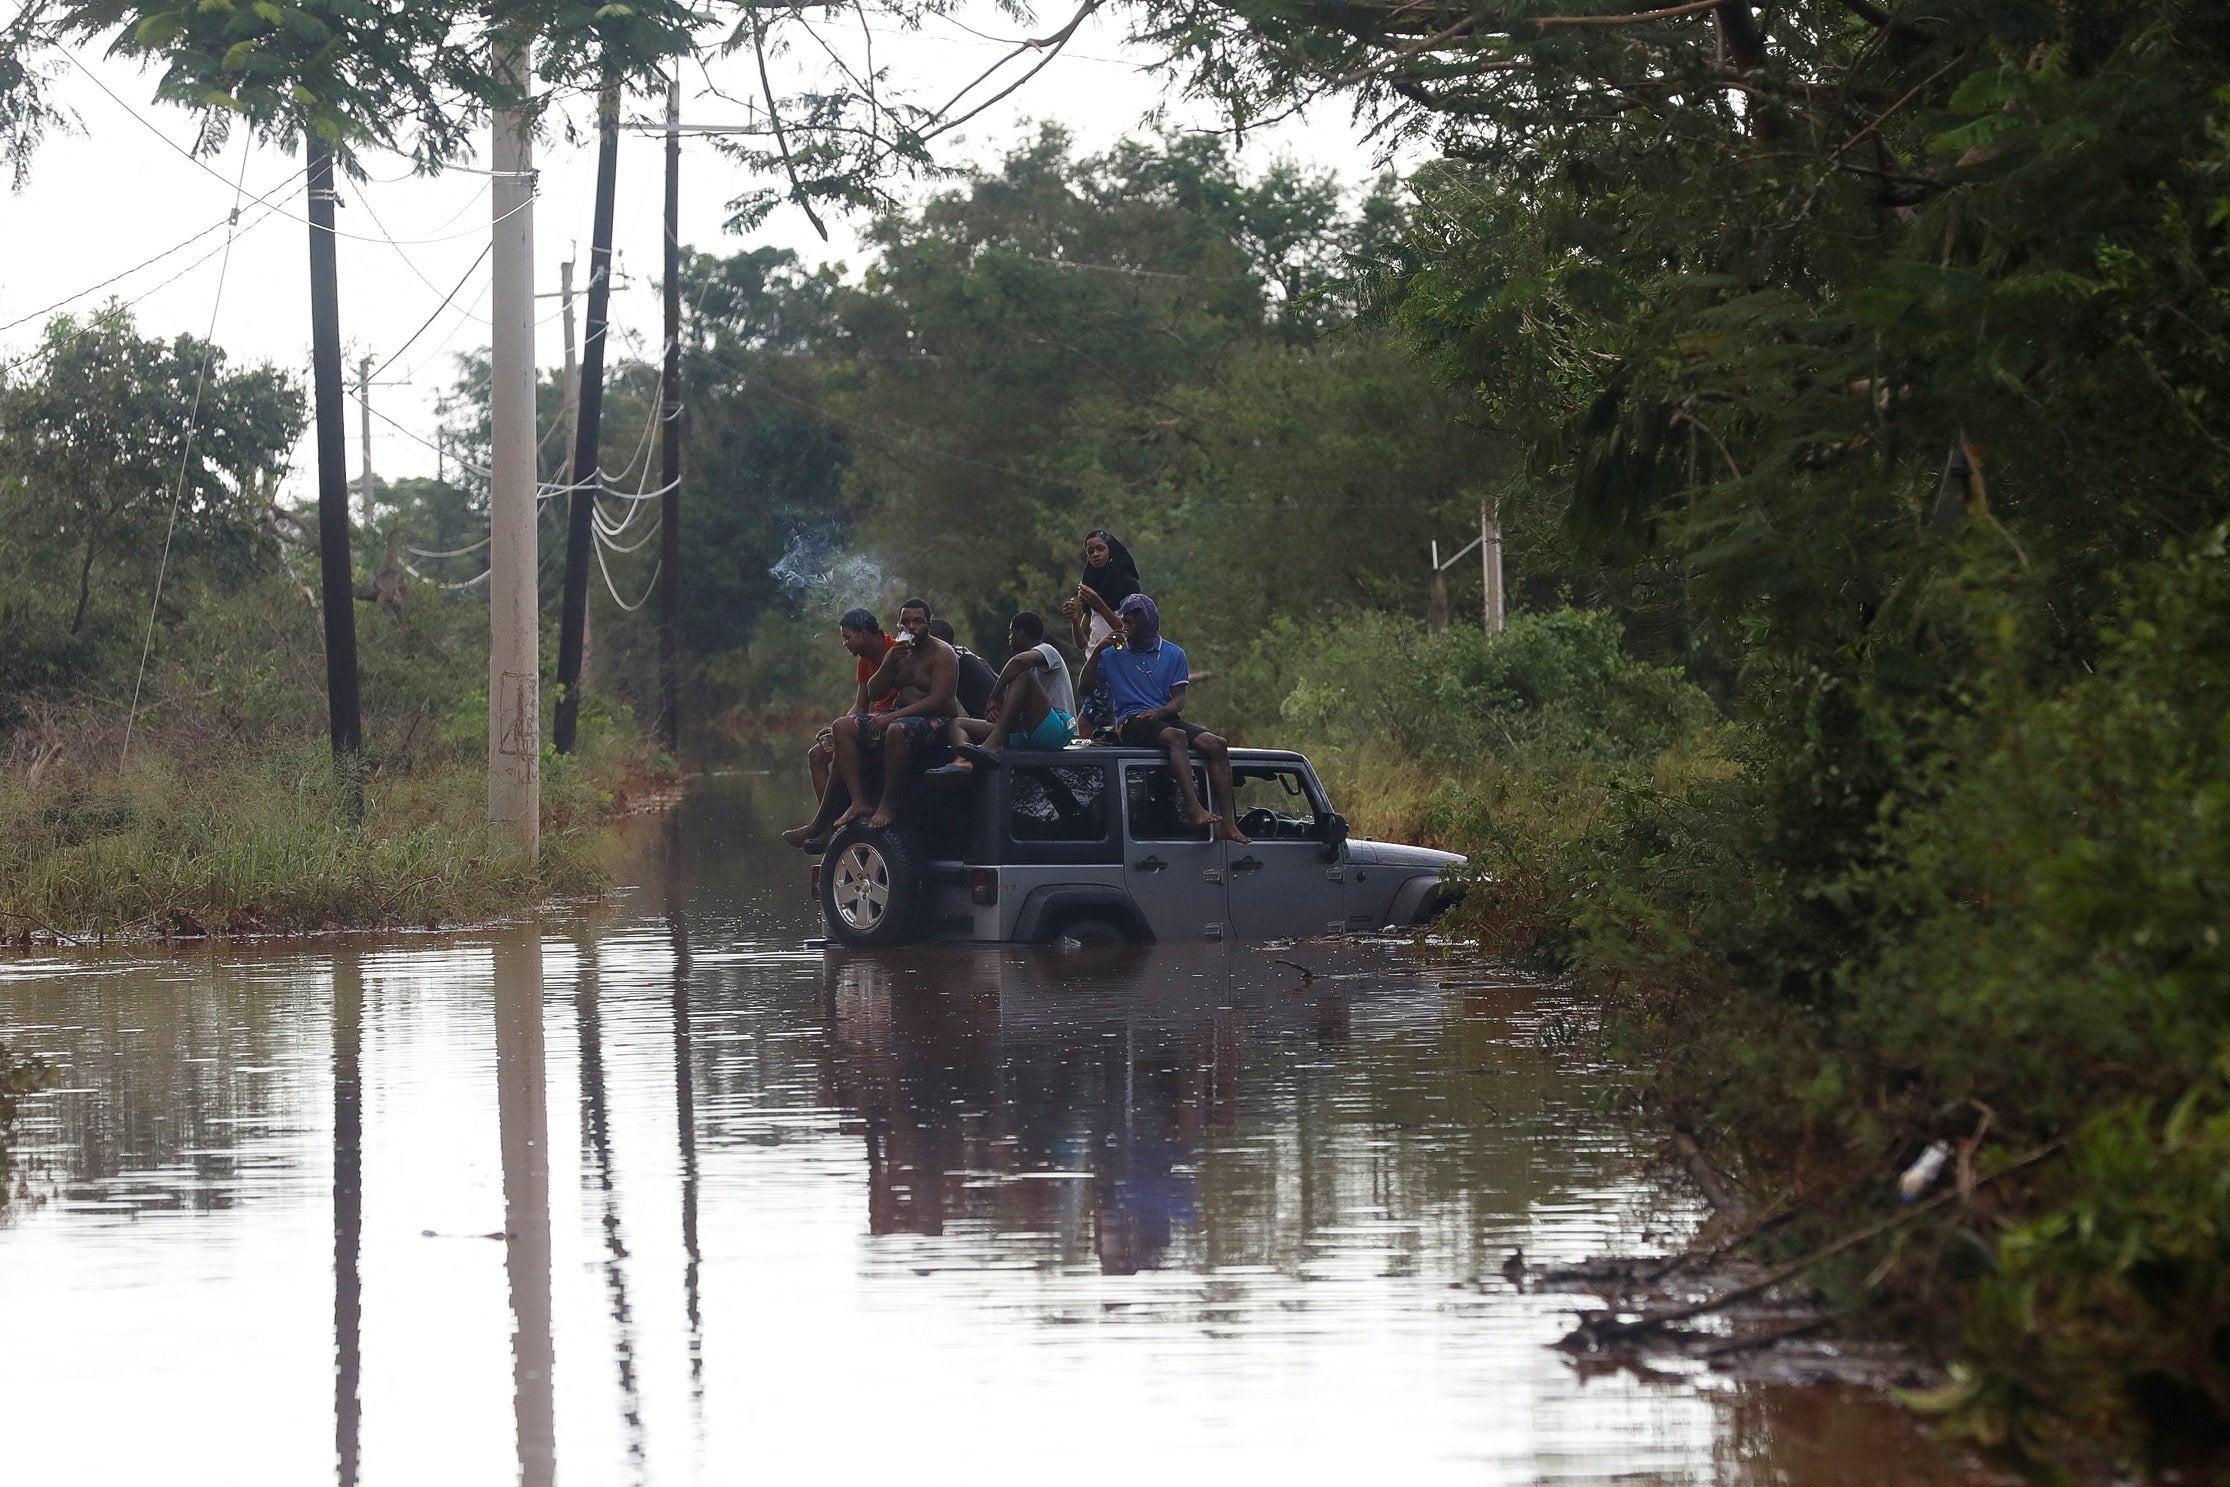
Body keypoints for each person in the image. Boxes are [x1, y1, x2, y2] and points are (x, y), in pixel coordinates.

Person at [1079, 592, 1248, 844]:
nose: (1124, 626)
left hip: (1163, 717)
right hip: (1130, 721)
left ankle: (1229, 824)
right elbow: (1084, 688)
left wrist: (1160, 712)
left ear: (1148, 622)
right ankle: (1194, 808)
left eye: (1131, 622)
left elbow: (1178, 699)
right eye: (1123, 620)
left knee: (1217, 744)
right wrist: (1096, 653)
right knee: (1176, 738)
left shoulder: (1173, 653)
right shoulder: (1114, 652)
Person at [830, 613, 961, 831]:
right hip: (899, 715)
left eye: (918, 622)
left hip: (934, 720)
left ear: (929, 623)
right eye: (906, 622)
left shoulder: (942, 652)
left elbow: (939, 700)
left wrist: (892, 716)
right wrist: (890, 659)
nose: (911, 626)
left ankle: (888, 803)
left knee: (896, 729)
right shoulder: (900, 652)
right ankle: (856, 804)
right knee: (840, 727)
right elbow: (873, 694)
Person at [784, 609, 898, 849]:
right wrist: (834, 729)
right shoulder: (864, 660)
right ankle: (828, 828)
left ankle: (838, 815)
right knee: (816, 755)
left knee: (842, 746)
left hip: (891, 723)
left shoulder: (896, 652)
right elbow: (861, 704)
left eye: (848, 638)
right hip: (871, 722)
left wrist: (845, 728)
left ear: (865, 634)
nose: (845, 643)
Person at [954, 612, 1077, 752]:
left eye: (1011, 633)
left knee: (1022, 674)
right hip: (1026, 732)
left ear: (1020, 633)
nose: (1009, 638)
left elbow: (1018, 662)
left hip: (1056, 731)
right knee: (957, 724)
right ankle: (963, 763)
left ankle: (996, 738)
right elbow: (1014, 695)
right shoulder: (1024, 677)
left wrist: (993, 698)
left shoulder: (1048, 650)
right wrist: (996, 709)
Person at [1061, 531, 1139, 735]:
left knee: (1087, 724)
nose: (1095, 554)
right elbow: (1082, 642)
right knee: (1094, 726)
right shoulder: (1093, 585)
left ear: (1111, 551)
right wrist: (1075, 619)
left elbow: (1128, 631)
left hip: (1118, 663)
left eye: (1100, 549)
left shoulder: (1127, 585)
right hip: (1094, 666)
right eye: (1090, 551)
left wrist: (1099, 603)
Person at [926, 617, 1000, 720]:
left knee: (953, 725)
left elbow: (942, 703)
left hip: (993, 718)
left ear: (940, 639)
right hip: (996, 713)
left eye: (926, 638)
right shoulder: (963, 652)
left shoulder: (950, 659)